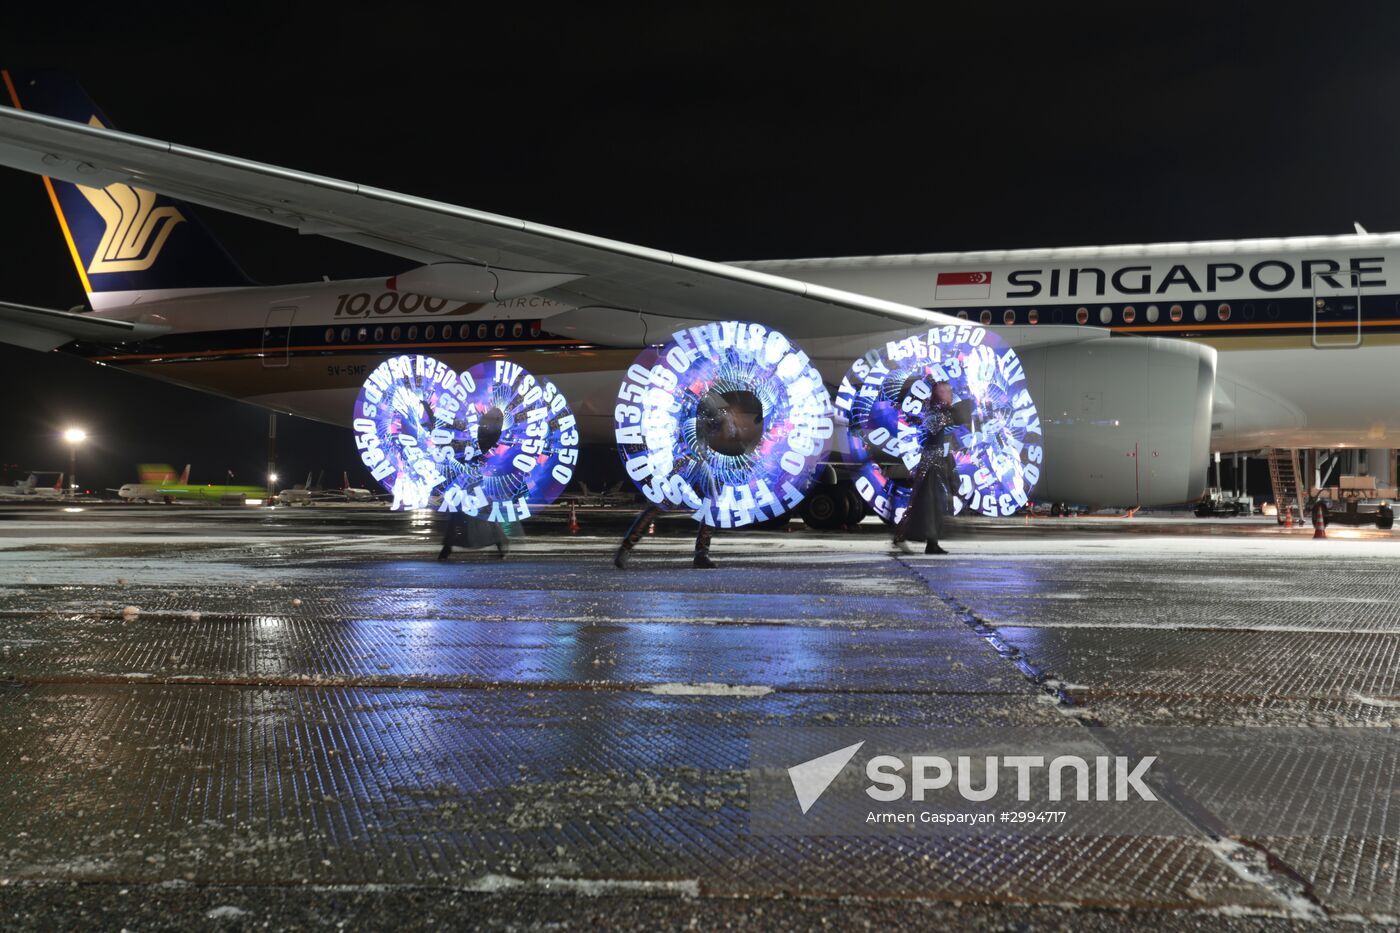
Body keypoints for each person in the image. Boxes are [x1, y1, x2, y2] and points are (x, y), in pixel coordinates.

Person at [614, 390, 762, 570]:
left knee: (710, 505)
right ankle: (626, 548)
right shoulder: (699, 408)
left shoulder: (721, 409)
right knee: (661, 503)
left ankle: (701, 554)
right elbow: (692, 435)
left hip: (704, 464)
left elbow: (730, 439)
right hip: (684, 463)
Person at [893, 379, 968, 555]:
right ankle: (903, 537)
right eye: (943, 392)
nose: (947, 395)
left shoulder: (940, 411)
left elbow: (957, 420)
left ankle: (931, 543)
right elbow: (950, 419)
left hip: (941, 461)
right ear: (936, 394)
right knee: (926, 503)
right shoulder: (935, 411)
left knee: (934, 504)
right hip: (931, 463)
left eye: (948, 391)